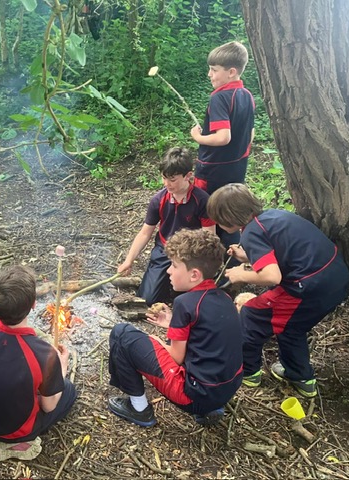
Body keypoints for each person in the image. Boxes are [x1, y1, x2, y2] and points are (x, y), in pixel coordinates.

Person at [207, 184, 349, 397]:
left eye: (218, 220)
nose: (217, 224)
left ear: (229, 217)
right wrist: (248, 257)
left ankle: (250, 373)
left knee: (252, 315)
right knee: (292, 325)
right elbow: (282, 252)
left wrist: (241, 274)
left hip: (307, 287)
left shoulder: (251, 232)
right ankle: (300, 375)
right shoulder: (274, 216)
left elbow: (272, 276)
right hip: (336, 278)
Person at [108, 229, 243, 427]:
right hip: (225, 390)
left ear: (194, 274)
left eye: (174, 265)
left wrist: (155, 341)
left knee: (122, 335)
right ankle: (214, 408)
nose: (169, 271)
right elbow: (207, 336)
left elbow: (176, 357)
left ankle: (139, 409)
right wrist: (173, 324)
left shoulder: (185, 302)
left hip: (194, 396)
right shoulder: (224, 298)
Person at [0, 265, 77, 462]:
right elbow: (48, 406)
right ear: (33, 304)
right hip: (18, 430)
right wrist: (61, 367)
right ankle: (19, 443)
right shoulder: (44, 354)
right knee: (69, 389)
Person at [118, 147, 215, 306]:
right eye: (164, 178)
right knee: (147, 299)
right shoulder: (159, 200)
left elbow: (209, 237)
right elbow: (145, 233)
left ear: (188, 176)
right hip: (165, 248)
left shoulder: (202, 200)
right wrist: (129, 260)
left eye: (172, 179)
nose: (167, 184)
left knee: (188, 301)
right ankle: (167, 284)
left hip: (190, 253)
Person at [190, 40, 255, 250]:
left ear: (232, 72)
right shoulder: (247, 96)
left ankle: (206, 254)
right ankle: (233, 256)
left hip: (213, 169)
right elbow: (251, 133)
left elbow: (223, 137)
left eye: (214, 70)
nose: (209, 74)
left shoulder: (220, 97)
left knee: (208, 211)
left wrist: (198, 137)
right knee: (229, 210)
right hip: (237, 168)